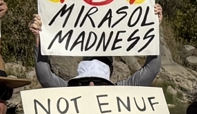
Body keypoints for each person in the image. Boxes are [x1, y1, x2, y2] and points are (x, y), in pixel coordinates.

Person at [31, 6, 165, 88]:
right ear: (111, 70)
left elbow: (45, 76)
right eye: (86, 82)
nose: (91, 85)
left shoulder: (69, 90)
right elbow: (152, 68)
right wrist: (153, 28)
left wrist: (40, 38)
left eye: (98, 82)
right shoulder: (122, 92)